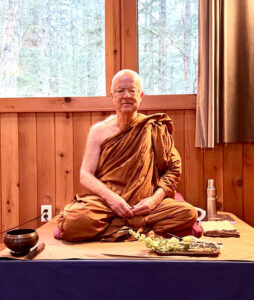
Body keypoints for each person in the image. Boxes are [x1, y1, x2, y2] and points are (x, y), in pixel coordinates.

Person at [55, 69, 197, 242]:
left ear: (141, 95)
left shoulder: (153, 128)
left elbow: (173, 170)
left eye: (132, 90)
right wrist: (112, 199)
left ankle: (120, 225)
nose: (126, 96)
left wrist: (152, 201)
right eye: (120, 91)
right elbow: (85, 175)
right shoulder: (99, 131)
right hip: (108, 203)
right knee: (71, 222)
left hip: (145, 204)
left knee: (188, 214)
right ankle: (136, 226)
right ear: (112, 95)